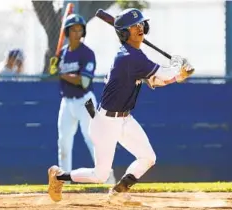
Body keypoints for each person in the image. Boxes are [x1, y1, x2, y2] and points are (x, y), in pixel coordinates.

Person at [47, 8, 194, 203]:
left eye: (141, 24)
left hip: (125, 119)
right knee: (100, 175)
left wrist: (178, 75)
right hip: (106, 122)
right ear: (124, 33)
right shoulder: (129, 57)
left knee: (148, 157)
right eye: (134, 26)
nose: (140, 27)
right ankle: (58, 176)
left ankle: (118, 192)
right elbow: (161, 74)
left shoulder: (134, 55)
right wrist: (178, 68)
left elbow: (155, 81)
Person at [52, 13, 115, 186]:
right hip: (67, 101)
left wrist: (61, 74)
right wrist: (54, 65)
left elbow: (84, 81)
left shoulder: (87, 54)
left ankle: (108, 177)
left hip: (85, 101)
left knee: (93, 138)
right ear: (67, 32)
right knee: (63, 142)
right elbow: (53, 72)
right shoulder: (62, 54)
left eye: (80, 29)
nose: (77, 33)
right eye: (73, 29)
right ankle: (63, 182)